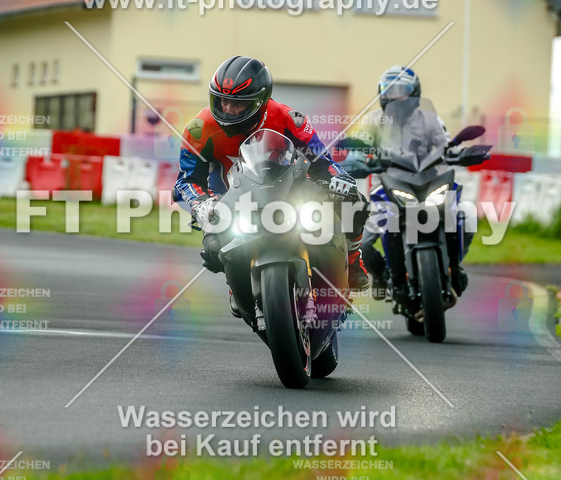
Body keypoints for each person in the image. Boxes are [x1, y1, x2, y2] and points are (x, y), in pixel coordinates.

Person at [173, 55, 369, 296]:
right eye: (222, 101)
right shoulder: (199, 128)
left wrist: (339, 178)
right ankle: (239, 288)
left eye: (238, 104)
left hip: (288, 189)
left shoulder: (288, 118)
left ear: (259, 101)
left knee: (356, 201)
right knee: (213, 250)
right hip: (229, 198)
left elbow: (321, 162)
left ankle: (353, 260)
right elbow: (186, 180)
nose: (228, 110)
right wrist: (200, 203)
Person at [359, 65, 469, 300]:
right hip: (386, 188)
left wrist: (459, 152)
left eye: (402, 90)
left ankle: (454, 267)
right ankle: (383, 276)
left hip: (428, 184)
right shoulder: (373, 121)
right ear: (381, 94)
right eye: (389, 90)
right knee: (362, 242)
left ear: (415, 92)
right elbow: (359, 146)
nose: (395, 96)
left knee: (464, 218)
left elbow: (446, 143)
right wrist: (358, 158)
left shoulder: (429, 119)